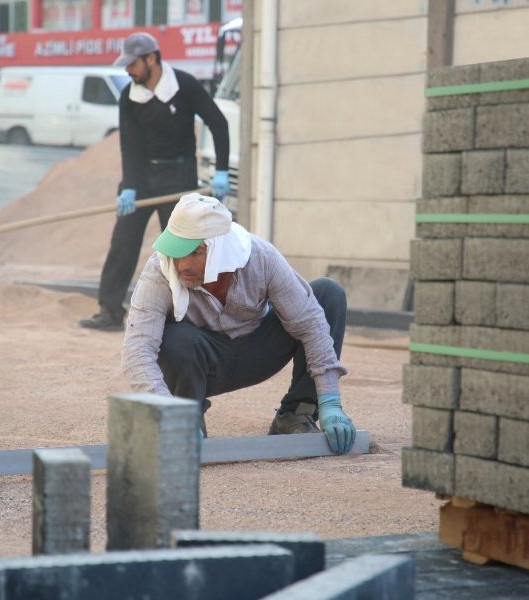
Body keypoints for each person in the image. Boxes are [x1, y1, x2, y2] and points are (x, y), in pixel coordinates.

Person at [122, 193, 357, 455]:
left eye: (195, 252)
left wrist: (330, 400)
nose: (182, 264)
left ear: (219, 248)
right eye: (176, 252)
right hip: (202, 363)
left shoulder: (262, 258)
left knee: (327, 295)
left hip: (258, 353)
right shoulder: (160, 272)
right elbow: (137, 352)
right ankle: (186, 419)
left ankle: (296, 414)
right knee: (176, 339)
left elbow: (311, 325)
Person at [79, 32, 231, 331]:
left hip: (179, 176)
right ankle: (109, 312)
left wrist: (222, 170)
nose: (127, 70)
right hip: (141, 178)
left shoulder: (185, 86)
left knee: (181, 248)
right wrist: (130, 186)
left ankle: (190, 315)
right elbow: (129, 146)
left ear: (151, 59)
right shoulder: (129, 96)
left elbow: (218, 122)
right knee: (123, 242)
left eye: (132, 64)